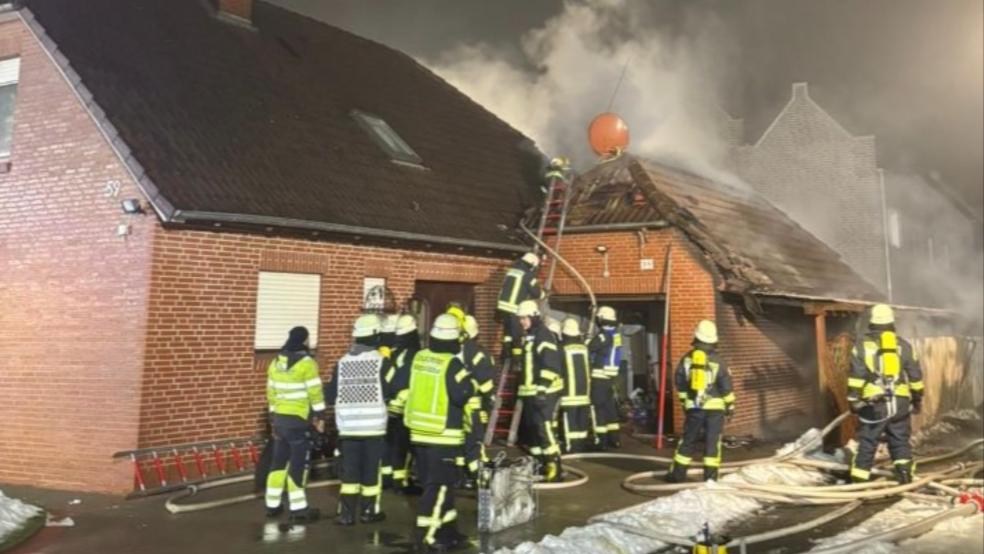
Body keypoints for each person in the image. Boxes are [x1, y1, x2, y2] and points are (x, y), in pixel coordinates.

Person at [404, 314, 474, 551]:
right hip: (441, 434)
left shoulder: (420, 358)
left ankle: (449, 531)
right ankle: (429, 535)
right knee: (440, 487)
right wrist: (468, 375)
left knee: (437, 486)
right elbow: (463, 393)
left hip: (419, 433)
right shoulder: (451, 364)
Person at [325, 314, 393, 525]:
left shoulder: (342, 363)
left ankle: (346, 515)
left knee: (350, 474)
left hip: (347, 428)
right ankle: (368, 512)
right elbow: (390, 390)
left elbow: (330, 394)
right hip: (373, 429)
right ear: (375, 336)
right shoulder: (381, 362)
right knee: (370, 473)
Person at [847, 304, 924, 484]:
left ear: (872, 322)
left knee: (868, 442)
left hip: (875, 404)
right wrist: (917, 398)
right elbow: (915, 376)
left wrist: (853, 399)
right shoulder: (904, 346)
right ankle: (905, 476)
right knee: (899, 440)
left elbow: (856, 377)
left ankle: (859, 482)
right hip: (900, 403)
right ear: (892, 322)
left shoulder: (861, 347)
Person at [264, 326, 325, 523]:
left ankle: (272, 504)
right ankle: (299, 508)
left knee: (278, 462)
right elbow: (315, 392)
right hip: (298, 420)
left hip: (280, 420)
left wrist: (273, 418)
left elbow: (271, 392)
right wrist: (320, 416)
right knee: (299, 464)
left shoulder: (275, 362)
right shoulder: (307, 363)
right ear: (304, 341)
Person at [666, 320, 735, 483]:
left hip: (695, 407)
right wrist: (730, 405)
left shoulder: (687, 359)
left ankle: (677, 475)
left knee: (688, 439)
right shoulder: (719, 361)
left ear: (696, 338)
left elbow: (680, 381)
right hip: (715, 409)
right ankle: (710, 478)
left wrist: (685, 402)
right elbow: (726, 386)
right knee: (712, 441)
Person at [515, 300, 564, 482]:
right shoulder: (529, 336)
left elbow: (550, 364)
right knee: (532, 430)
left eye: (525, 318)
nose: (522, 322)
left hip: (545, 391)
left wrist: (542, 388)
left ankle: (554, 464)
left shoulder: (544, 335)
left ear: (534, 317)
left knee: (543, 428)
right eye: (520, 318)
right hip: (530, 392)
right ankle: (538, 463)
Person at [382, 314, 421, 493]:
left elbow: (387, 379)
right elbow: (405, 382)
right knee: (403, 445)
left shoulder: (393, 353)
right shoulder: (414, 355)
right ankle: (401, 482)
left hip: (389, 406)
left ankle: (387, 477)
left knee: (390, 442)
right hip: (405, 407)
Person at [459, 314, 496, 486]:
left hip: (457, 405)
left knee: (462, 440)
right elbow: (486, 385)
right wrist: (489, 402)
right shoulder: (480, 354)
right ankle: (478, 476)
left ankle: (462, 475)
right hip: (475, 407)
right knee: (475, 441)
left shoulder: (455, 351)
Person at [496, 252, 544, 362]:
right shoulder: (527, 274)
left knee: (507, 333)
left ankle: (505, 354)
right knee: (517, 334)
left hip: (502, 308)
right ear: (532, 264)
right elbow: (536, 293)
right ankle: (517, 360)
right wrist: (544, 293)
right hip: (514, 308)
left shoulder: (511, 271)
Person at [588, 306, 623, 449]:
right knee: (610, 409)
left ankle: (600, 441)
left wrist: (587, 340)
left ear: (601, 319)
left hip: (599, 377)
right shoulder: (616, 335)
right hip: (611, 378)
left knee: (598, 409)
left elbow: (590, 347)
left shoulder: (603, 336)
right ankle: (614, 439)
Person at [558, 317, 592, 453]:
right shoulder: (584, 348)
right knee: (582, 420)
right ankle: (581, 445)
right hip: (584, 392)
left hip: (569, 393)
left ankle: (571, 446)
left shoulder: (562, 348)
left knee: (570, 420)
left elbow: (558, 368)